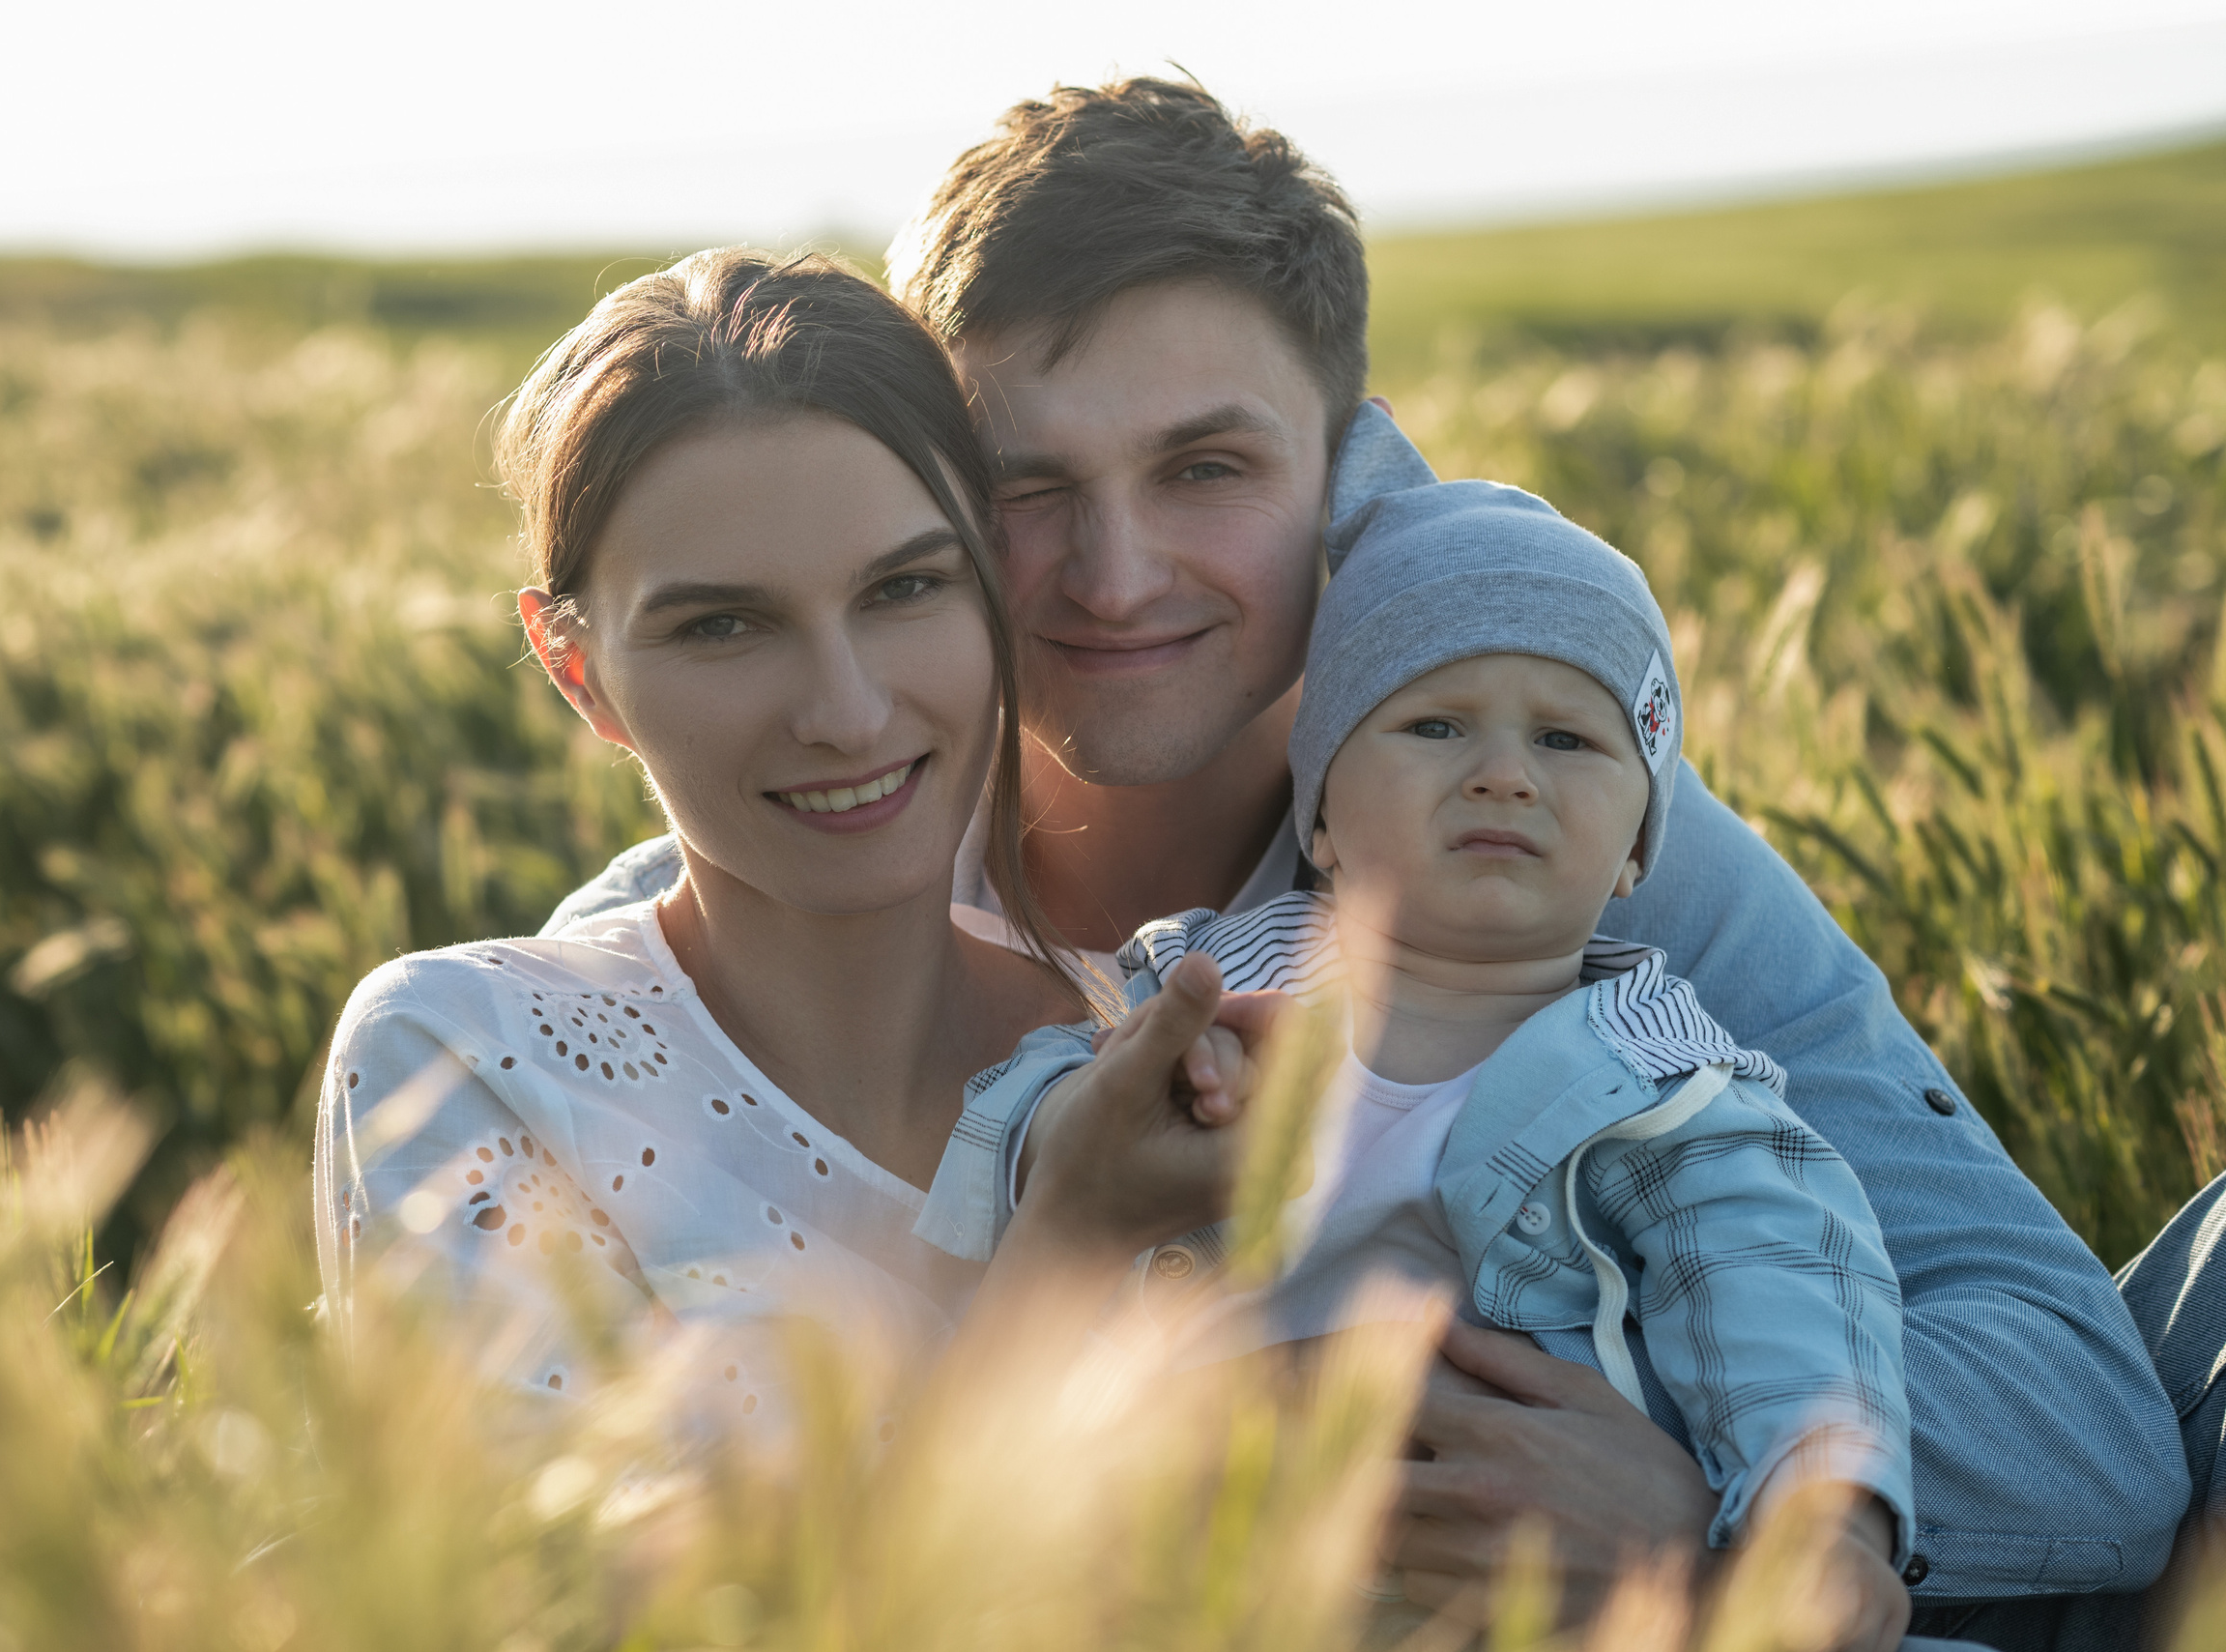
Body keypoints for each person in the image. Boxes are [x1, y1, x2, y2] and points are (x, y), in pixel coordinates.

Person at [542, 79, 2203, 1644]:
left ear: (1341, 479)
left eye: (1208, 467)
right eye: (1026, 486)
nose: (1116, 577)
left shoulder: (1554, 842)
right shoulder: (703, 933)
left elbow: (2086, 1422)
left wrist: (1690, 1483)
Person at [955, 401, 1915, 1648]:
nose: (1504, 771)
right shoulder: (1193, 988)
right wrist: (1065, 1126)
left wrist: (1823, 1526)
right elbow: (1019, 1143)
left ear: (1638, 843)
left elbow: (1789, 1294)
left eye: (1567, 738)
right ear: (1321, 816)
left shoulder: (1675, 1093)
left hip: (1499, 1592)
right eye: (1435, 724)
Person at [315, 248, 1258, 1429]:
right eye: (722, 625)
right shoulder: (471, 1057)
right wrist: (1069, 1243)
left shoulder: (1155, 1067)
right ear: (577, 670)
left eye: (904, 589)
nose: (847, 712)